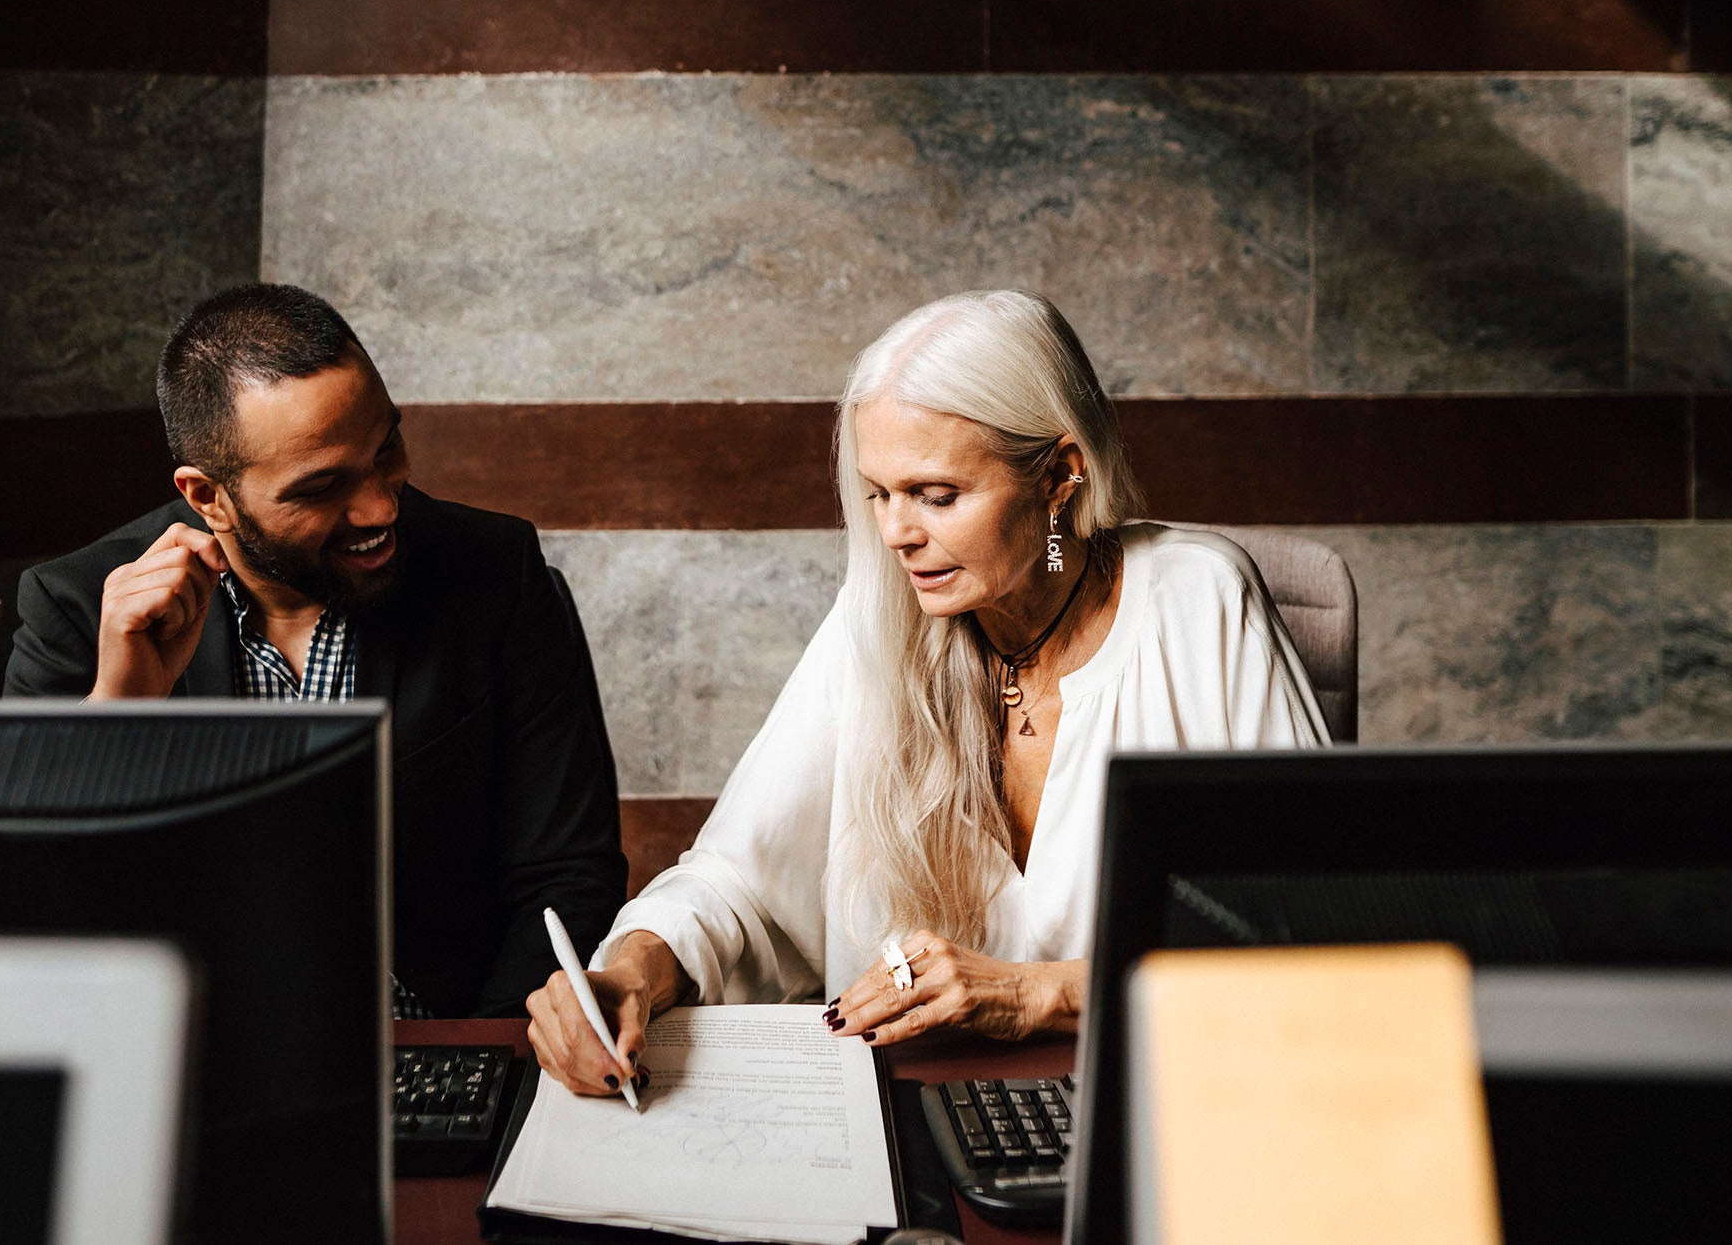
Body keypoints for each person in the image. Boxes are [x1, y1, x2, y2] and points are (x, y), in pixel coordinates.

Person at [527, 289, 1327, 1095]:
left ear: (1060, 475)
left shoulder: (1200, 604)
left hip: (1161, 1112)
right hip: (908, 1125)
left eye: (937, 495)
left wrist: (1031, 994)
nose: (897, 533)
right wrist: (634, 968)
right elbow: (740, 878)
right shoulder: (879, 615)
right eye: (879, 493)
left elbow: (1313, 941)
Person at [5, 283, 626, 1017]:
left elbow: (568, 875)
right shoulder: (78, 609)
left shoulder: (496, 571)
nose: (381, 507)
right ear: (208, 497)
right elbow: (32, 918)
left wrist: (480, 1062)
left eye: (385, 447)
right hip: (201, 1071)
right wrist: (123, 714)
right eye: (322, 487)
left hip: (451, 1043)